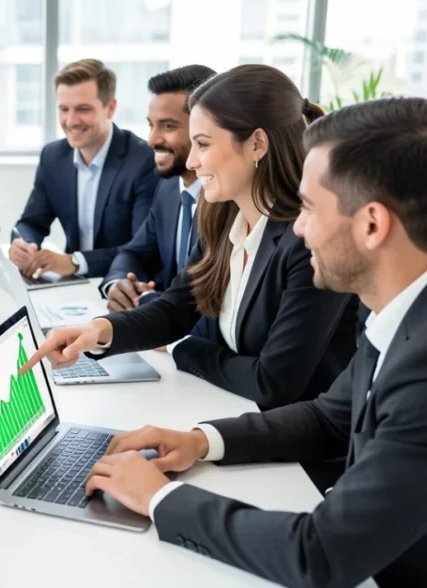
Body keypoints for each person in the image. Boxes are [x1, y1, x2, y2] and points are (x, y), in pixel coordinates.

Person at [23, 97, 427, 588]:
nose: (298, 227)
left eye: (310, 209)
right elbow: (328, 417)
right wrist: (200, 440)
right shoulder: (392, 312)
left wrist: (158, 499)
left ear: (371, 225)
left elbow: (319, 554)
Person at [21, 65, 358, 411]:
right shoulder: (224, 216)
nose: (193, 162)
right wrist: (96, 332)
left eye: (203, 145)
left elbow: (272, 383)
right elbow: (176, 308)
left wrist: (183, 347)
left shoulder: (308, 242)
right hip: (232, 409)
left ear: (257, 144)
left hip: (297, 451)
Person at [10, 59, 157, 278]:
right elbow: (31, 222)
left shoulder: (143, 160)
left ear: (111, 108)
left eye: (83, 109)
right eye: (63, 109)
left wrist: (76, 262)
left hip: (121, 285)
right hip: (73, 286)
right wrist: (25, 244)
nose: (71, 121)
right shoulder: (53, 157)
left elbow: (142, 249)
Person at [100, 65, 216, 312]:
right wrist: (119, 284)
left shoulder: (227, 199)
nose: (152, 139)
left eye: (168, 126)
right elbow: (136, 253)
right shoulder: (168, 188)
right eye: (151, 125)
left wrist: (151, 303)